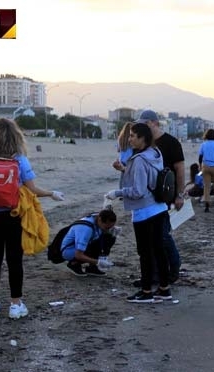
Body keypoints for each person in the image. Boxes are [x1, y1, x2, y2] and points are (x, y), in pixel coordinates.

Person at [0, 117, 66, 319]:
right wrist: (51, 193)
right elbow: (33, 189)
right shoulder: (19, 159)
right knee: (14, 260)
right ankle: (15, 304)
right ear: (16, 137)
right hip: (14, 215)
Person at [106, 123, 171, 303]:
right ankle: (164, 289)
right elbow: (146, 177)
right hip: (159, 207)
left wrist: (117, 193)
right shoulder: (156, 154)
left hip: (144, 212)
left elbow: (138, 191)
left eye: (133, 136)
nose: (129, 138)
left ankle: (146, 291)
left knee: (145, 252)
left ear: (143, 138)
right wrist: (124, 170)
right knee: (158, 250)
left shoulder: (139, 159)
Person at [138, 109, 185, 284]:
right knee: (151, 237)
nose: (142, 127)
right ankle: (156, 272)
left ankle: (173, 268)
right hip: (146, 197)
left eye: (145, 124)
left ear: (154, 123)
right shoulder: (143, 143)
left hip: (165, 195)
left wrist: (179, 195)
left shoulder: (171, 143)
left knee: (162, 235)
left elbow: (180, 170)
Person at [61, 210, 118, 276]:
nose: (108, 229)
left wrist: (112, 232)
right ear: (100, 220)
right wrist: (99, 262)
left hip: (84, 245)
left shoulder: (97, 218)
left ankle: (92, 268)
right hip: (69, 250)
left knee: (110, 237)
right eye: (107, 227)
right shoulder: (86, 229)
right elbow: (78, 255)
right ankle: (74, 264)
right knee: (101, 241)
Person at [112, 122, 135, 188]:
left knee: (123, 183)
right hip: (130, 162)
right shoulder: (132, 139)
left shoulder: (120, 138)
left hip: (122, 162)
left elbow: (118, 150)